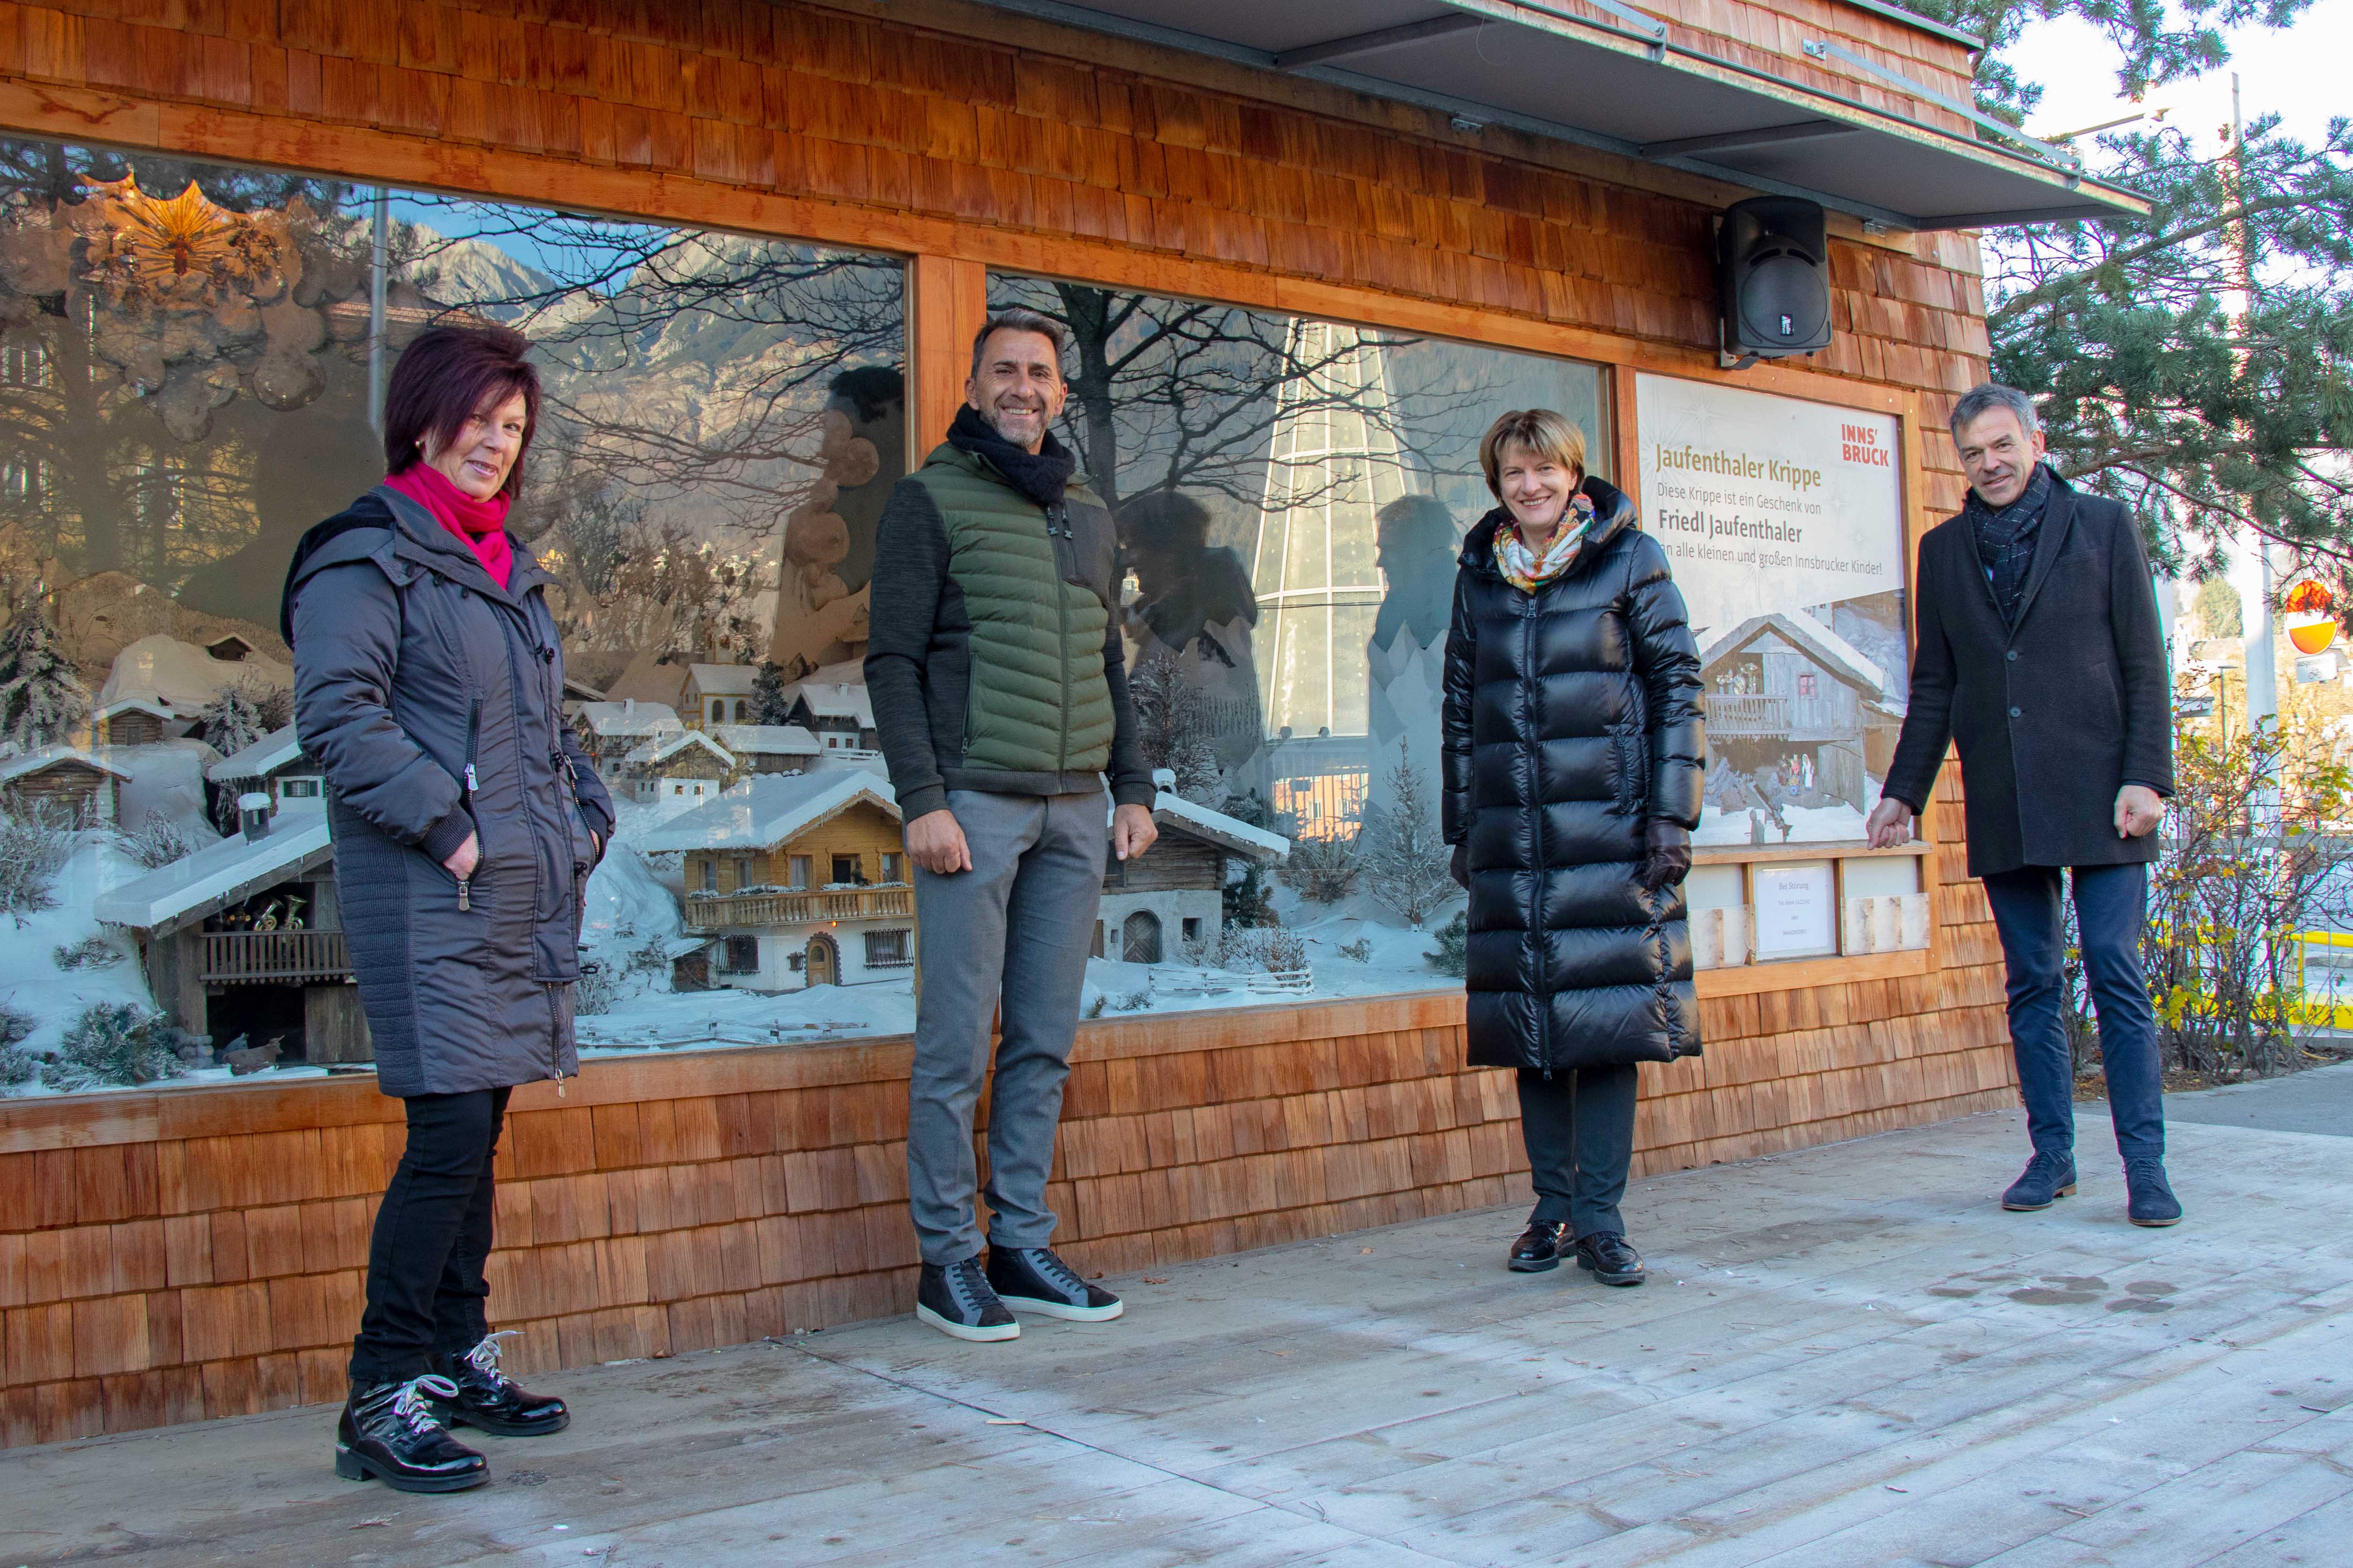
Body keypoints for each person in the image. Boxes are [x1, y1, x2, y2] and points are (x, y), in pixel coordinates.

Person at [284, 324, 615, 1492]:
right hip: (436, 895)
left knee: (478, 1137)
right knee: (447, 1141)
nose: (495, 442)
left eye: (514, 428)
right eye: (480, 419)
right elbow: (337, 712)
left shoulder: (503, 568)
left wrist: (588, 814)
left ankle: (454, 1356)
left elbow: (547, 723)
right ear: (425, 419)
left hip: (517, 899)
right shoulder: (364, 558)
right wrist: (449, 823)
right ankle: (380, 1395)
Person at [866, 307, 1159, 1342]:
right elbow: (891, 662)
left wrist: (1133, 786)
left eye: (1039, 372)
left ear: (1059, 392)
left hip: (1077, 805)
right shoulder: (927, 499)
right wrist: (923, 800)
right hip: (973, 805)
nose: (1022, 387)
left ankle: (1019, 1242)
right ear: (975, 380)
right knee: (955, 1044)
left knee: (1042, 1040)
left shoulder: (1084, 511)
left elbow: (1107, 661)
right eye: (1004, 370)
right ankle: (945, 1257)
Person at [1868, 382, 2178, 1226]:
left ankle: (2144, 1168)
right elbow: (1937, 683)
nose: (1990, 464)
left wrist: (2148, 776)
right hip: (2006, 793)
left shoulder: (2106, 527)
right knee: (2032, 981)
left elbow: (2145, 663)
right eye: (1973, 453)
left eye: (2002, 446)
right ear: (1960, 461)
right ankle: (2052, 1157)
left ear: (2036, 441)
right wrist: (1904, 791)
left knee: (2116, 971)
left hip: (2108, 791)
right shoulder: (1945, 549)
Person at [1441, 409, 1706, 1288]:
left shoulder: (1632, 557)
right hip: (1514, 835)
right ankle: (1550, 1208)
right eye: (1515, 474)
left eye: (1545, 470)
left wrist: (1673, 814)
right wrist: (1463, 828)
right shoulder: (1479, 572)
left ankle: (1601, 1219)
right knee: (1532, 1029)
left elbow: (1679, 683)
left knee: (1606, 1025)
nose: (1532, 487)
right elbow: (1456, 705)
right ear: (1499, 486)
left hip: (1613, 831)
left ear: (1573, 475)